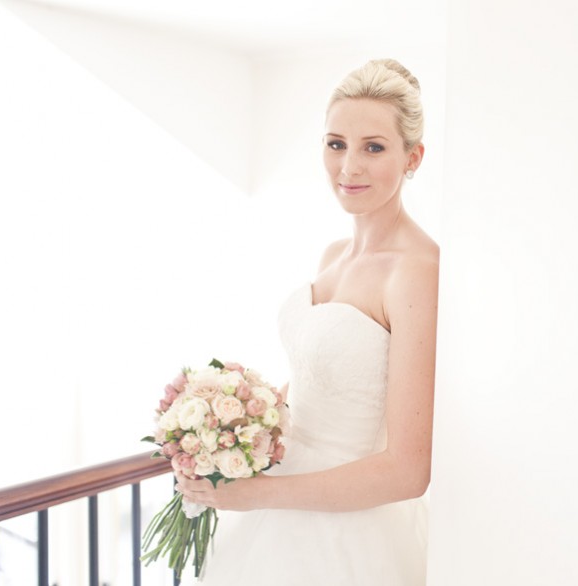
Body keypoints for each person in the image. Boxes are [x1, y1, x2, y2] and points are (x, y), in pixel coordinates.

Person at [175, 58, 439, 585]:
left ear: (413, 157)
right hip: (276, 505)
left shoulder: (417, 273)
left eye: (374, 147)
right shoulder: (332, 254)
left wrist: (260, 493)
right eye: (336, 143)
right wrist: (230, 435)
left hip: (346, 533)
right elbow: (318, 380)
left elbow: (409, 471)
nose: (349, 167)